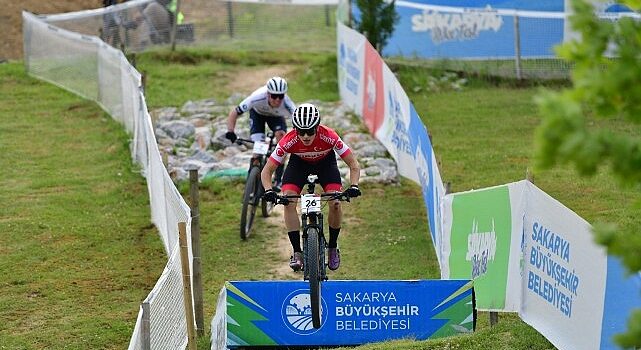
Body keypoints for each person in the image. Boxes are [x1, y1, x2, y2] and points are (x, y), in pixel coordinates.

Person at [260, 103, 361, 271]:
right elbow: (267, 171)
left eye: (310, 132)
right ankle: (297, 252)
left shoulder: (330, 136)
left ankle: (332, 247)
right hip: (298, 165)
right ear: (295, 130)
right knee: (288, 201)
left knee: (335, 203)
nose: (305, 136)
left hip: (326, 165)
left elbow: (353, 164)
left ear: (317, 128)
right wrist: (269, 190)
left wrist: (354, 185)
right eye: (301, 132)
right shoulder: (289, 140)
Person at [226, 76, 295, 191]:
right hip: (258, 115)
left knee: (281, 139)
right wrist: (230, 131)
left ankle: (278, 179)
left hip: (276, 117)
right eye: (274, 96)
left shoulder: (287, 102)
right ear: (268, 94)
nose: (277, 100)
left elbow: (298, 121)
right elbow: (235, 112)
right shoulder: (256, 98)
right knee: (258, 149)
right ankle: (250, 184)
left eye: (281, 96)